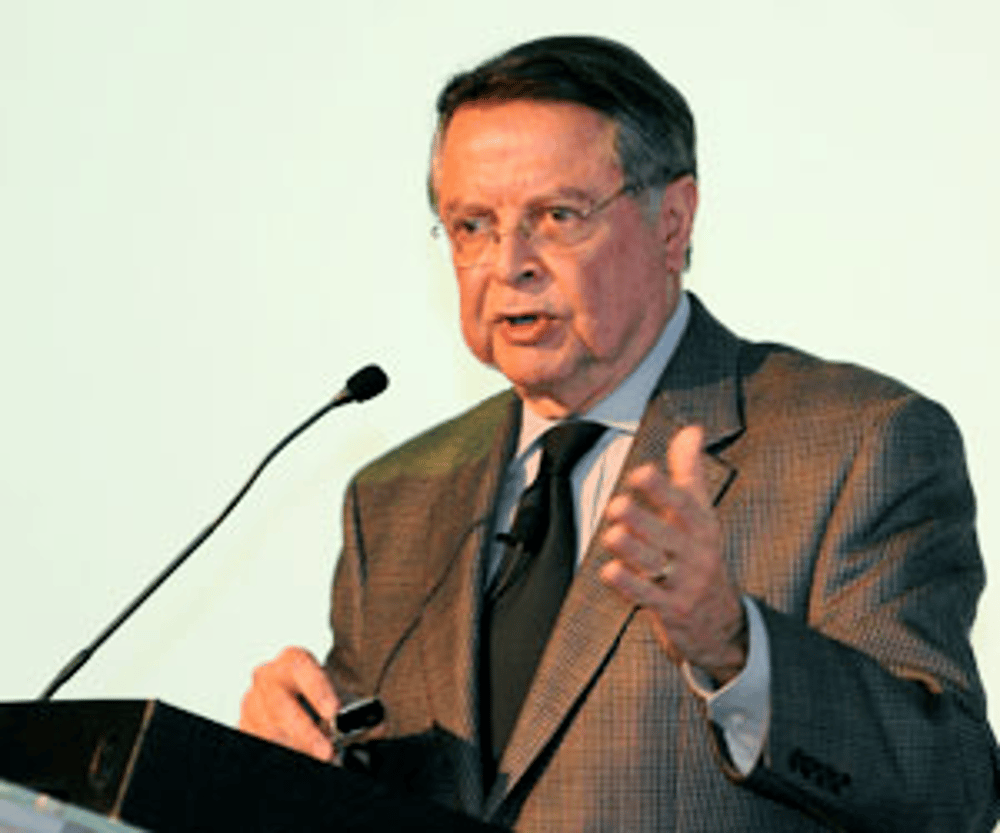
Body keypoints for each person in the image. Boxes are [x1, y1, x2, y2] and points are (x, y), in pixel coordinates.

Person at [238, 35, 999, 831]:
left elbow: (952, 788)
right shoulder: (394, 498)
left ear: (672, 223)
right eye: (470, 225)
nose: (509, 264)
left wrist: (736, 648)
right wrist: (286, 762)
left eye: (556, 216)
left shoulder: (858, 445)